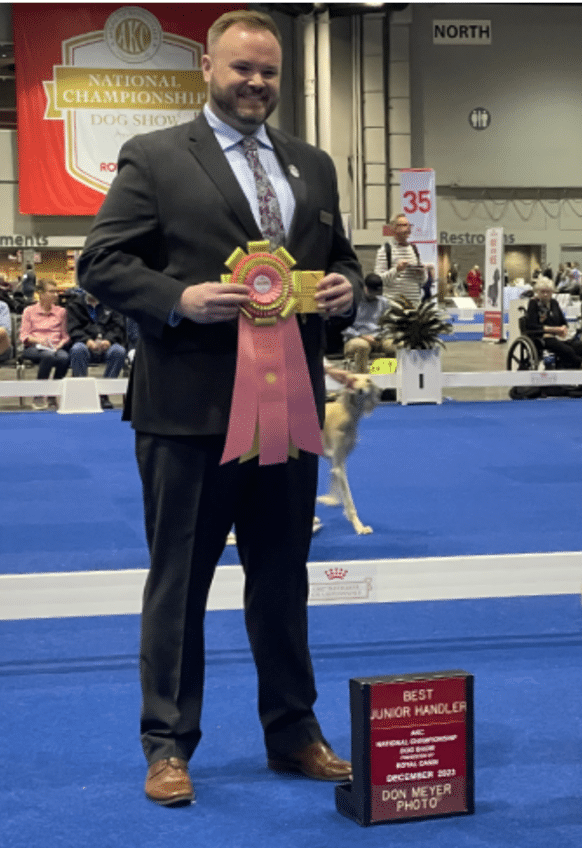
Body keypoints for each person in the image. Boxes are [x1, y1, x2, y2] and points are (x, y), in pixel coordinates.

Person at [76, 10, 363, 808]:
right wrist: (178, 298)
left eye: (269, 72)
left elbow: (337, 261)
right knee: (180, 584)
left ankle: (295, 732)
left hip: (291, 409)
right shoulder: (158, 157)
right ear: (208, 68)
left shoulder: (312, 166)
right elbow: (101, 261)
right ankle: (167, 744)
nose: (256, 84)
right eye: (242, 69)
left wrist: (347, 290)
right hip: (187, 413)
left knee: (283, 579)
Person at [66, 290, 128, 409]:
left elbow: (118, 326)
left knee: (119, 351)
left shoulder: (112, 304)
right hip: (85, 345)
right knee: (77, 349)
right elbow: (73, 329)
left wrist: (109, 341)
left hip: (107, 345)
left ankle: (103, 395)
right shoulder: (74, 305)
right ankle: (82, 394)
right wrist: (87, 341)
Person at [19, 278, 70, 409]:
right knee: (48, 356)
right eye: (51, 292)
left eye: (56, 291)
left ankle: (53, 394)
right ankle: (39, 395)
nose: (55, 295)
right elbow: (24, 336)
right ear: (40, 294)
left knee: (64, 357)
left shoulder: (61, 312)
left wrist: (60, 344)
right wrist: (39, 340)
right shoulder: (29, 311)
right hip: (34, 348)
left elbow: (65, 335)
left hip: (55, 347)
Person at [523, 277, 582, 368]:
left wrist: (564, 328)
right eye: (542, 291)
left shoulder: (554, 303)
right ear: (537, 292)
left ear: (552, 292)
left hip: (558, 337)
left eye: (548, 291)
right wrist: (554, 329)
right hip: (542, 338)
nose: (546, 294)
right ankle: (580, 364)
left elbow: (563, 322)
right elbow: (531, 326)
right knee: (568, 350)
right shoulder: (533, 303)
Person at [342, 273, 395, 373]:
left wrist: (382, 335)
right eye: (372, 292)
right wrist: (362, 336)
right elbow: (343, 327)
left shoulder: (383, 302)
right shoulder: (353, 301)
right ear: (365, 288)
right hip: (357, 337)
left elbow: (389, 323)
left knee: (397, 345)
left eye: (377, 292)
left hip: (379, 337)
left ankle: (386, 378)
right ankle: (362, 380)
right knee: (362, 346)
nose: (374, 295)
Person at [375, 212, 431, 304]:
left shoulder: (414, 249)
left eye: (409, 225)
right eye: (404, 225)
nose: (408, 228)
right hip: (393, 307)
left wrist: (422, 273)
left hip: (414, 306)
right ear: (394, 228)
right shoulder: (385, 250)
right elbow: (379, 281)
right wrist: (397, 270)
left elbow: (423, 281)